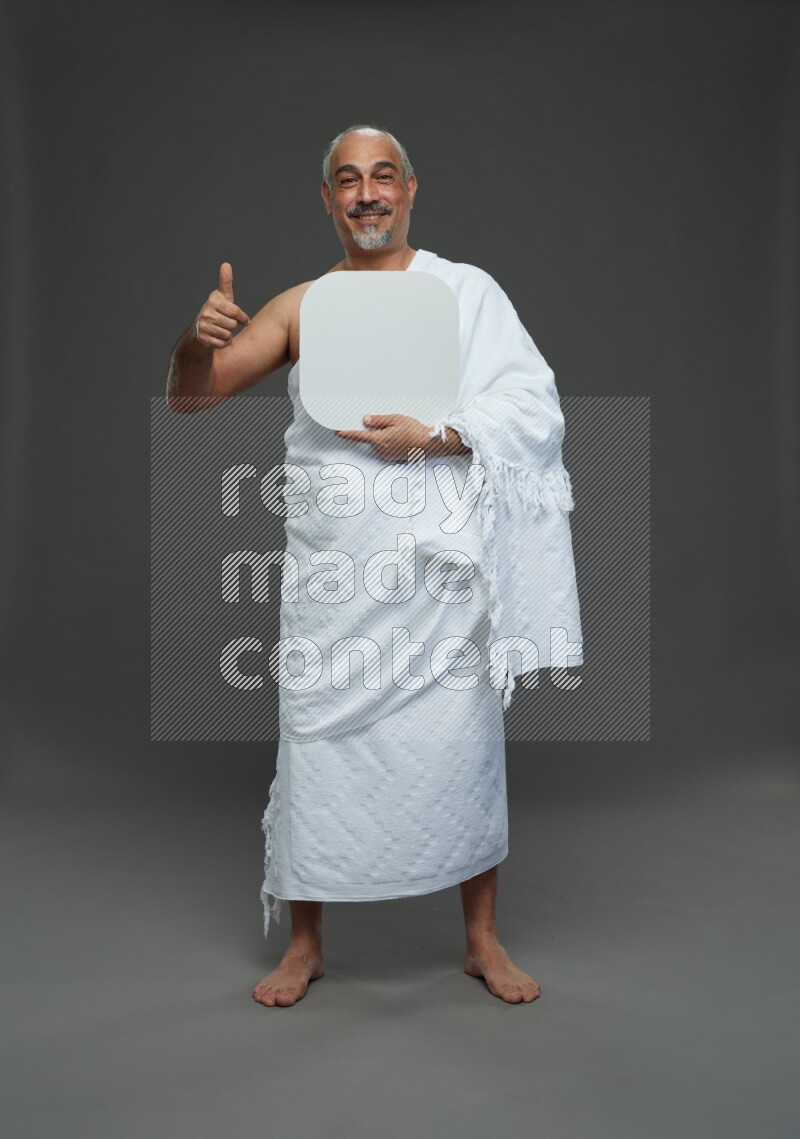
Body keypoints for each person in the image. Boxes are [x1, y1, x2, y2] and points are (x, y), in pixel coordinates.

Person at [166, 124, 583, 1007]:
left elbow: (532, 402)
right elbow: (193, 401)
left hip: (440, 576)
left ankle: (481, 940)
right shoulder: (302, 306)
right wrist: (196, 341)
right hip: (335, 577)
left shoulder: (466, 293)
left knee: (463, 743)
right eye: (348, 181)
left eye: (382, 177)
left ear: (410, 189)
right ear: (328, 200)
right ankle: (305, 946)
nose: (367, 194)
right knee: (315, 744)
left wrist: (441, 435)